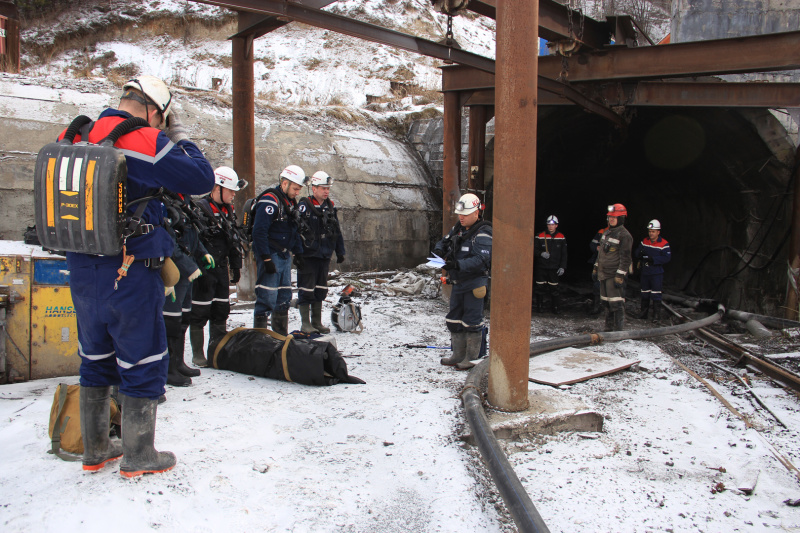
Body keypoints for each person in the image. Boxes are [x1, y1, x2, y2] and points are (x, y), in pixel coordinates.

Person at [64, 75, 214, 476]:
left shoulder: (76, 134)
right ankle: (139, 455)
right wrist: (178, 136)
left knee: (94, 357)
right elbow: (201, 179)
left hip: (81, 268)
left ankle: (96, 449)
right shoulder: (145, 139)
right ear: (154, 111)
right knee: (142, 358)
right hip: (129, 270)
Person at [189, 166, 246, 366]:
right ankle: (198, 354)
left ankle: (216, 350)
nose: (233, 195)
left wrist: (236, 266)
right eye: (230, 190)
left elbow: (233, 240)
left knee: (221, 309)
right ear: (217, 188)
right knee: (199, 311)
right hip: (203, 270)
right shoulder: (199, 209)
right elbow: (193, 242)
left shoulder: (228, 211)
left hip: (221, 267)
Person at [433, 193, 493, 370]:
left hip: (474, 284)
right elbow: (444, 241)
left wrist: (456, 264)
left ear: (476, 213)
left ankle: (471, 358)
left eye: (465, 214)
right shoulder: (459, 228)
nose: (461, 217)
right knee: (454, 319)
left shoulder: (484, 232)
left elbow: (480, 260)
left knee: (472, 321)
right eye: (460, 214)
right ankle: (458, 354)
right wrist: (439, 250)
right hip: (458, 283)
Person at [163, 191, 213, 388]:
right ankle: (168, 368)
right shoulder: (167, 205)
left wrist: (203, 253)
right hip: (176, 272)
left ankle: (178, 362)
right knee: (171, 321)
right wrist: (189, 266)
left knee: (183, 318)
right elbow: (169, 243)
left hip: (188, 270)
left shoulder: (186, 204)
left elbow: (193, 236)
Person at [252, 165, 306, 335]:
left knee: (284, 297)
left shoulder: (290, 202)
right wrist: (266, 258)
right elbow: (259, 232)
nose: (297, 192)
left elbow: (294, 229)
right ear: (284, 183)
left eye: (299, 189)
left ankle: (280, 338)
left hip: (284, 254)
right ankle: (260, 338)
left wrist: (298, 252)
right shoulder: (270, 200)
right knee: (267, 296)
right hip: (271, 253)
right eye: (295, 188)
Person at [296, 171, 346, 334]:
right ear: (314, 188)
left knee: (320, 289)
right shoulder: (304, 206)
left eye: (328, 188)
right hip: (308, 256)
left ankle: (316, 322)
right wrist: (297, 253)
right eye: (323, 188)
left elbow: (336, 231)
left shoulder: (330, 207)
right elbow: (296, 230)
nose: (326, 191)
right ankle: (306, 323)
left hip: (324, 255)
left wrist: (340, 251)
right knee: (306, 289)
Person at [593, 203, 633, 331]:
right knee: (606, 302)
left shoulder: (624, 235)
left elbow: (626, 258)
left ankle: (618, 330)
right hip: (604, 273)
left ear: (621, 218)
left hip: (613, 274)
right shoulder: (607, 233)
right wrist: (596, 267)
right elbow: (601, 253)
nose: (611, 219)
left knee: (616, 302)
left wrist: (620, 275)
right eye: (610, 217)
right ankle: (608, 329)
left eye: (614, 217)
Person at [635, 219, 671, 321]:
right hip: (645, 272)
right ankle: (643, 314)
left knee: (656, 294)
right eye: (650, 231)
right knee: (644, 293)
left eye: (653, 231)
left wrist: (654, 259)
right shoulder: (644, 241)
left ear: (658, 232)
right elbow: (637, 252)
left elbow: (667, 258)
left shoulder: (664, 244)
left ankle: (656, 316)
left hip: (656, 273)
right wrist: (639, 254)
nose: (651, 233)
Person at [533, 215, 567, 314]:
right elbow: (533, 249)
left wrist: (562, 267)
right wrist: (541, 253)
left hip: (554, 267)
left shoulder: (561, 237)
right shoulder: (540, 236)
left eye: (552, 225)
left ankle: (555, 308)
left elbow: (564, 254)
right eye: (549, 224)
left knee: (554, 288)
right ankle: (539, 307)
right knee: (540, 287)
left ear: (556, 225)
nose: (550, 226)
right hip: (541, 267)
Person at [587, 225, 607, 315]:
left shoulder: (620, 233)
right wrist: (596, 248)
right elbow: (592, 244)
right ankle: (597, 307)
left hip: (611, 264)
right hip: (599, 262)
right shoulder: (601, 232)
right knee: (597, 284)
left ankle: (607, 308)